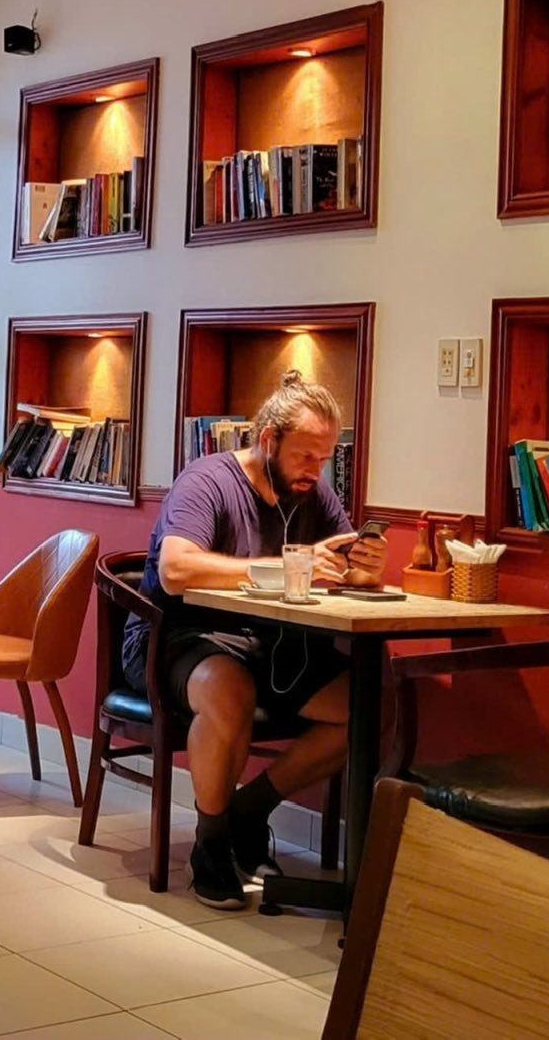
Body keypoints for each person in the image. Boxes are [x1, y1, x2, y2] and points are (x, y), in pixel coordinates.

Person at [131, 369, 386, 909]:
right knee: (229, 690)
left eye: (325, 458)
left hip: (271, 647)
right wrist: (277, 568)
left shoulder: (311, 492)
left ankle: (249, 810)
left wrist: (363, 568)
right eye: (305, 456)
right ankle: (212, 843)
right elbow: (176, 569)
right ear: (269, 439)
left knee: (370, 708)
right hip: (179, 637)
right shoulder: (208, 480)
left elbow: (336, 562)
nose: (316, 471)